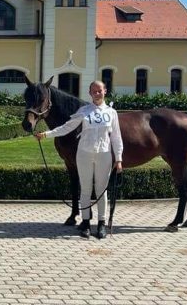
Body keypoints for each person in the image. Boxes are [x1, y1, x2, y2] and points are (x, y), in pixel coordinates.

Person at [34, 80, 123, 239]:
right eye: (94, 91)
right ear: (90, 93)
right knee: (86, 189)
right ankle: (86, 223)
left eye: (99, 90)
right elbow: (66, 127)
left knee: (102, 192)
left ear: (105, 91)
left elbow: (116, 137)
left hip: (104, 154)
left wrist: (119, 158)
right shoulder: (84, 111)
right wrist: (46, 134)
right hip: (84, 154)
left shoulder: (112, 113)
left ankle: (101, 224)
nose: (97, 93)